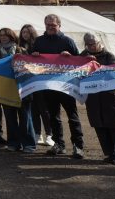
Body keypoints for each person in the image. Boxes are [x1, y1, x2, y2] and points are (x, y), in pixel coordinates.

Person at [32, 14, 84, 159]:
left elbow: (79, 61)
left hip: (67, 85)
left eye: (53, 25)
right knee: (53, 117)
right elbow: (32, 61)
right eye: (48, 24)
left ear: (59, 25)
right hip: (48, 86)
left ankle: (78, 146)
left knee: (72, 116)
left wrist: (70, 56)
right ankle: (59, 144)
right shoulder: (39, 41)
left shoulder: (68, 41)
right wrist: (34, 55)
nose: (50, 27)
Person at [80, 33, 115, 166]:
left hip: (110, 97)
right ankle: (110, 154)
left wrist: (96, 65)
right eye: (88, 44)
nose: (91, 46)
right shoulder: (82, 56)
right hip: (93, 98)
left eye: (93, 43)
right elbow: (76, 72)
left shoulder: (109, 56)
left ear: (99, 42)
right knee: (99, 125)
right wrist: (84, 63)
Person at [0, 28, 35, 153]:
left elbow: (30, 68)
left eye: (6, 35)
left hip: (22, 89)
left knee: (25, 118)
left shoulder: (21, 50)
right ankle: (13, 143)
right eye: (1, 36)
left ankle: (29, 144)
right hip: (5, 89)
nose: (3, 37)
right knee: (10, 118)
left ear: (12, 36)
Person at [19, 24, 53, 147]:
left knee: (44, 109)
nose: (25, 34)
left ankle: (49, 134)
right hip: (27, 82)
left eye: (27, 32)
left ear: (32, 33)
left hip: (40, 81)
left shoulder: (38, 45)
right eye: (23, 32)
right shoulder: (20, 47)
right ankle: (38, 133)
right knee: (33, 109)